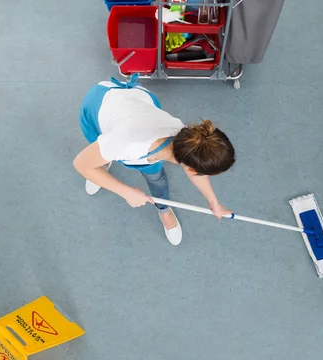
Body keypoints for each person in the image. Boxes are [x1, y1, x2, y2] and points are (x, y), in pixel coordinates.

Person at [74, 75, 235, 246]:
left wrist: (213, 202)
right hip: (99, 106)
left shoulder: (189, 140)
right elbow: (80, 163)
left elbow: (196, 168)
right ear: (192, 169)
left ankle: (163, 210)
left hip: (136, 104)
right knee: (96, 159)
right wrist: (126, 192)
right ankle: (102, 165)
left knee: (155, 176)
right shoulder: (127, 144)